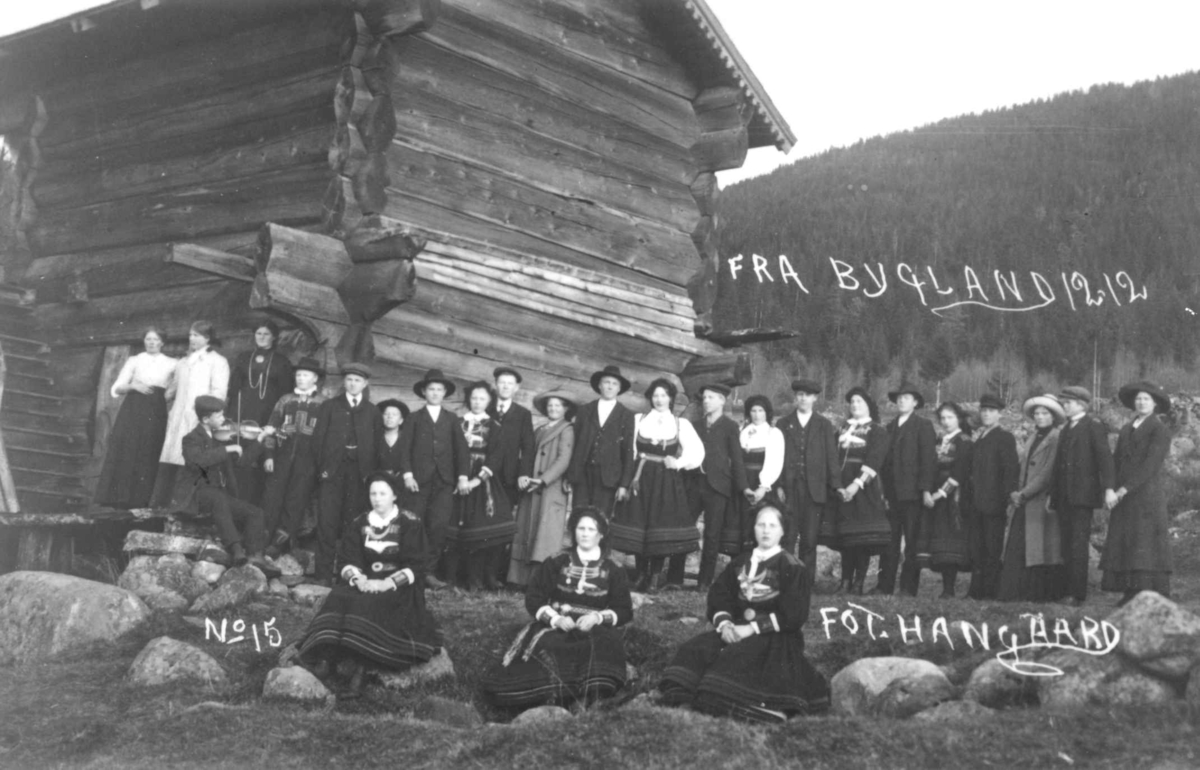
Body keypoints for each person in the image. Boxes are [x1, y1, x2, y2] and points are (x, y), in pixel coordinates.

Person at [659, 506, 831, 723]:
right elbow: (720, 596)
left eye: (772, 525)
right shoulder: (740, 563)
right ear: (754, 528)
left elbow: (794, 614)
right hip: (735, 628)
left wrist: (751, 628)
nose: (766, 531)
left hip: (776, 635)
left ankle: (754, 708)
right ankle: (692, 699)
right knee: (696, 649)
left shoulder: (792, 566)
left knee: (741, 657)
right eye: (761, 524)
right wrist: (725, 626)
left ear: (782, 531)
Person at [296, 472, 442, 697]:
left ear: (394, 496)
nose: (377, 498)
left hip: (398, 586)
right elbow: (347, 559)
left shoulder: (409, 523)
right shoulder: (360, 523)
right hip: (365, 580)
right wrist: (358, 578)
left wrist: (387, 584)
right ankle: (325, 661)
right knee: (339, 597)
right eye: (373, 493)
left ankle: (361, 673)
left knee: (371, 604)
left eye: (383, 493)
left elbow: (417, 565)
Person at [483, 507, 633, 709]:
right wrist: (556, 619)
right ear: (573, 531)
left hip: (592, 627)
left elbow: (623, 609)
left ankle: (593, 699)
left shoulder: (614, 569)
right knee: (550, 646)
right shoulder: (556, 561)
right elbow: (534, 598)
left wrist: (597, 618)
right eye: (581, 528)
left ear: (601, 534)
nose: (585, 534)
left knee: (605, 644)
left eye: (591, 529)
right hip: (556, 625)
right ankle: (546, 699)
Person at [609, 378, 704, 592]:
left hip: (666, 481)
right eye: (655, 395)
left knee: (659, 527)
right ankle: (641, 574)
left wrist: (678, 462)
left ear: (670, 398)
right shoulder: (638, 420)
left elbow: (697, 453)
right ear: (650, 398)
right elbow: (629, 452)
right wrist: (626, 480)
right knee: (638, 523)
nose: (659, 399)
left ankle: (654, 576)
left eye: (663, 395)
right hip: (640, 478)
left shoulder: (680, 424)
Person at [168, 395, 276, 576]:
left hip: (218, 495)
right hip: (196, 494)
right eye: (218, 416)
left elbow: (243, 461)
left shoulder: (222, 439)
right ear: (205, 419)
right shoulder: (191, 439)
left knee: (254, 512)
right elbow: (198, 461)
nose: (223, 420)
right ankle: (235, 549)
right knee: (218, 499)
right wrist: (226, 450)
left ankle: (255, 556)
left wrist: (261, 438)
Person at [1101, 381, 1174, 604]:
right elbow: (1115, 461)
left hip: (1146, 495)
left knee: (1145, 542)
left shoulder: (1159, 429)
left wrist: (1123, 490)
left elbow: (1150, 465)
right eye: (1139, 399)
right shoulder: (1127, 428)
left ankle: (1148, 593)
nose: (1141, 402)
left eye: (1146, 399)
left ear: (1155, 404)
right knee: (1127, 541)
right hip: (1124, 496)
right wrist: (1109, 488)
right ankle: (1130, 592)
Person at [398, 368, 471, 588]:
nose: (435, 393)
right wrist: (408, 474)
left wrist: (462, 477)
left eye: (439, 390)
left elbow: (462, 450)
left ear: (444, 394)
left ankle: (429, 572)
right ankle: (411, 571)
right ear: (424, 392)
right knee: (414, 524)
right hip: (418, 481)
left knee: (438, 526)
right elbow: (404, 449)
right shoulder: (414, 418)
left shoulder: (451, 419)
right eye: (431, 389)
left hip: (444, 481)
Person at [311, 363, 382, 585]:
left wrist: (370, 475)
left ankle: (347, 574)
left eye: (358, 380)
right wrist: (322, 469)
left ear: (365, 384)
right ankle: (322, 574)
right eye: (349, 380)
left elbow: (377, 445)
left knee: (353, 525)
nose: (353, 384)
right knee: (327, 523)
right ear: (344, 382)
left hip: (359, 476)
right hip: (332, 473)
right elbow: (317, 441)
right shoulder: (330, 407)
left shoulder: (372, 411)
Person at [674, 382, 748, 591]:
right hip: (694, 483)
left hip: (718, 487)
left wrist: (743, 487)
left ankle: (704, 582)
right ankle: (674, 578)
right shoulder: (695, 425)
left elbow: (737, 459)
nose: (706, 401)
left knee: (712, 534)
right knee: (684, 530)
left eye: (711, 398)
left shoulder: (730, 426)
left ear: (722, 401)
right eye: (704, 398)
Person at [95, 327, 177, 509]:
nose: (152, 343)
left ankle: (142, 499)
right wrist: (133, 386)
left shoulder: (173, 363)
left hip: (155, 409)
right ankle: (119, 498)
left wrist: (163, 397)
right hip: (133, 408)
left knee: (149, 448)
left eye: (156, 339)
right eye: (148, 339)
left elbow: (174, 388)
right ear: (144, 341)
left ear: (162, 342)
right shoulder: (135, 360)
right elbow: (116, 388)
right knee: (129, 446)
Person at [1050, 386, 1116, 606]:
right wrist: (1054, 495)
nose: (1064, 406)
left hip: (1083, 497)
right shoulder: (1067, 427)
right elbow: (1058, 466)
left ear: (1081, 405)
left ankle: (1077, 594)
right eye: (1063, 402)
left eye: (1068, 403)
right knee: (1066, 544)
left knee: (1078, 545)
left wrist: (1108, 488)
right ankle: (1065, 589)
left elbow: (1105, 459)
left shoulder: (1093, 427)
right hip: (1065, 497)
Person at [448, 381, 516, 590]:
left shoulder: (495, 427)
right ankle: (460, 577)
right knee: (457, 527)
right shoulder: (457, 423)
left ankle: (487, 577)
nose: (477, 402)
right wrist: (460, 479)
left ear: (489, 401)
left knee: (489, 526)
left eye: (482, 399)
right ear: (469, 399)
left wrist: (476, 480)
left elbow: (496, 457)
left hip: (484, 480)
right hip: (457, 477)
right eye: (474, 398)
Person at [153, 320, 229, 506]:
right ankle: (162, 506)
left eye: (197, 335)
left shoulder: (217, 362)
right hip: (178, 418)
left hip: (198, 420)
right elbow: (172, 391)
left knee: (191, 462)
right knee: (172, 461)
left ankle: (186, 507)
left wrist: (204, 416)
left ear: (208, 338)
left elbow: (218, 395)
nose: (191, 338)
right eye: (190, 335)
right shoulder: (183, 363)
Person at [258, 357, 327, 559]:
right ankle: (261, 540)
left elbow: (325, 437)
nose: (300, 378)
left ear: (315, 378)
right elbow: (271, 429)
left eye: (305, 375)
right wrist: (269, 455)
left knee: (296, 501)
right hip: (281, 458)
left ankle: (279, 543)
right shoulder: (285, 400)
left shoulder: (323, 404)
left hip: (307, 463)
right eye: (298, 375)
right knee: (271, 498)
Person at [998, 395, 1064, 602]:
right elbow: (1023, 467)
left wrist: (1024, 493)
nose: (1040, 417)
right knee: (1020, 545)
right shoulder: (1033, 436)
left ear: (1053, 417)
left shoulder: (1056, 438)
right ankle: (1015, 592)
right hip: (1024, 499)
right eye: (1036, 413)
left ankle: (1037, 593)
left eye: (1045, 413)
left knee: (1040, 547)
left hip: (1040, 499)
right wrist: (1015, 492)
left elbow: (1047, 472)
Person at [508, 388, 577, 588]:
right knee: (525, 530)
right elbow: (528, 454)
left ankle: (539, 582)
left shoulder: (567, 429)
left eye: (557, 405)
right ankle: (519, 579)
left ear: (565, 409)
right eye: (550, 405)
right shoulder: (540, 429)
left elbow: (564, 459)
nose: (553, 409)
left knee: (544, 534)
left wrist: (544, 479)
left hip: (550, 488)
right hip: (532, 487)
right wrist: (525, 476)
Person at [776, 379, 840, 588]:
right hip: (790, 488)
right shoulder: (783, 424)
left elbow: (831, 458)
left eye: (807, 395)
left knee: (809, 539)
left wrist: (835, 486)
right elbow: (776, 457)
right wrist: (778, 485)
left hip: (815, 490)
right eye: (799, 395)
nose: (802, 398)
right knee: (788, 537)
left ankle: (805, 583)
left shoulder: (824, 425)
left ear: (815, 398)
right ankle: (785, 580)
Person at [880, 382, 938, 596]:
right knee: (890, 542)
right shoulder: (889, 427)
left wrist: (925, 490)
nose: (902, 400)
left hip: (913, 495)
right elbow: (884, 465)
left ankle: (908, 587)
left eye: (907, 397)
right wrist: (884, 493)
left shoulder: (923, 425)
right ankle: (884, 586)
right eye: (899, 397)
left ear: (915, 402)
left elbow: (928, 461)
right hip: (892, 495)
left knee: (912, 542)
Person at [228, 320, 294, 505]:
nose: (262, 337)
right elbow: (234, 388)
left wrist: (275, 420)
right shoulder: (243, 357)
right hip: (241, 412)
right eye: (259, 333)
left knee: (256, 458)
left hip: (265, 415)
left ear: (273, 337)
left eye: (266, 334)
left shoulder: (281, 361)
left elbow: (285, 394)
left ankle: (251, 504)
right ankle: (232, 502)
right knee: (237, 457)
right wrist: (230, 414)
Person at [835, 388, 889, 595]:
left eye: (859, 401)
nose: (855, 405)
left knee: (861, 537)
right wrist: (837, 485)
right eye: (852, 402)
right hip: (841, 488)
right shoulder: (842, 429)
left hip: (864, 488)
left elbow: (874, 460)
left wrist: (856, 484)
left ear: (868, 405)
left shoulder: (877, 430)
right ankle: (845, 581)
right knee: (846, 537)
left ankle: (858, 582)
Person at [967, 394, 1020, 600]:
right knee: (977, 547)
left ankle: (990, 590)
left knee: (992, 548)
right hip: (977, 502)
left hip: (994, 503)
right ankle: (975, 590)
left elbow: (1010, 471)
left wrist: (1006, 498)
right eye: (984, 410)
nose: (986, 414)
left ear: (1000, 414)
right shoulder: (980, 437)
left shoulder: (1004, 437)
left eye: (991, 411)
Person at [921, 402, 974, 598]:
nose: (945, 422)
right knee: (940, 542)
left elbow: (960, 471)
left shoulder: (964, 441)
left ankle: (950, 588)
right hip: (935, 494)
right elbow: (929, 466)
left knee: (951, 541)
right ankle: (946, 587)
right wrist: (926, 490)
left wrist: (940, 493)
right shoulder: (939, 440)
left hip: (955, 498)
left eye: (950, 417)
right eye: (942, 418)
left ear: (958, 419)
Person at [566, 365, 636, 514]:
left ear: (619, 389)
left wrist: (624, 484)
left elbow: (628, 451)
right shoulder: (585, 411)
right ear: (599, 385)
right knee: (579, 514)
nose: (610, 387)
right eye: (606, 382)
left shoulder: (626, 415)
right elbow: (574, 444)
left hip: (608, 478)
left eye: (614, 384)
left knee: (600, 518)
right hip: (582, 474)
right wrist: (570, 474)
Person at [736, 395, 785, 556]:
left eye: (760, 411)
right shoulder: (742, 432)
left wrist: (763, 486)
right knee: (742, 526)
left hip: (762, 483)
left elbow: (774, 462)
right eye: (753, 410)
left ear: (767, 413)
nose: (757, 414)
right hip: (744, 482)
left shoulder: (773, 433)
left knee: (761, 523)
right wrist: (743, 485)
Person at [376, 398, 411, 479]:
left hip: (402, 480)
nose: (390, 417)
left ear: (401, 420)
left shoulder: (407, 439)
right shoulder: (374, 438)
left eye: (394, 414)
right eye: (386, 414)